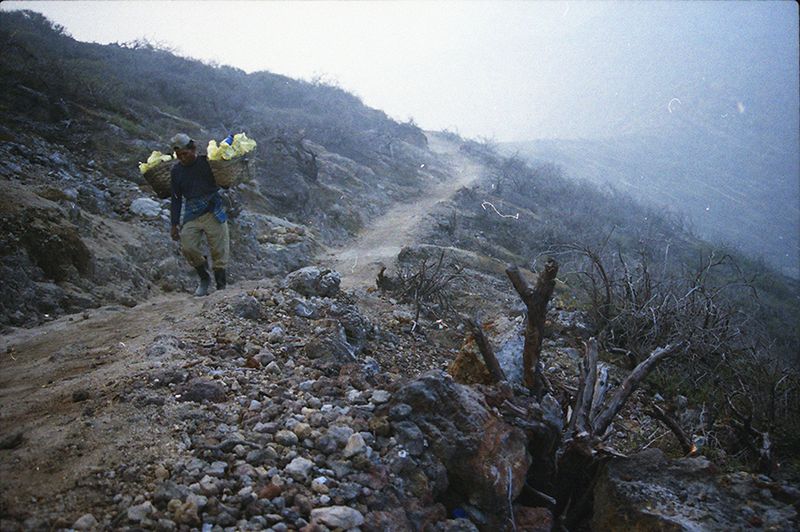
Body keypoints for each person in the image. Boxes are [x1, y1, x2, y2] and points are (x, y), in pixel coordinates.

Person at [169, 133, 229, 296]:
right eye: (179, 155)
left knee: (219, 249)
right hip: (192, 211)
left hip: (212, 209)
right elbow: (176, 199)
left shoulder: (207, 163)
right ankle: (204, 277)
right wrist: (174, 224)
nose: (182, 158)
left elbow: (224, 182)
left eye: (185, 153)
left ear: (193, 149)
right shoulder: (176, 171)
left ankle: (221, 287)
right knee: (188, 246)